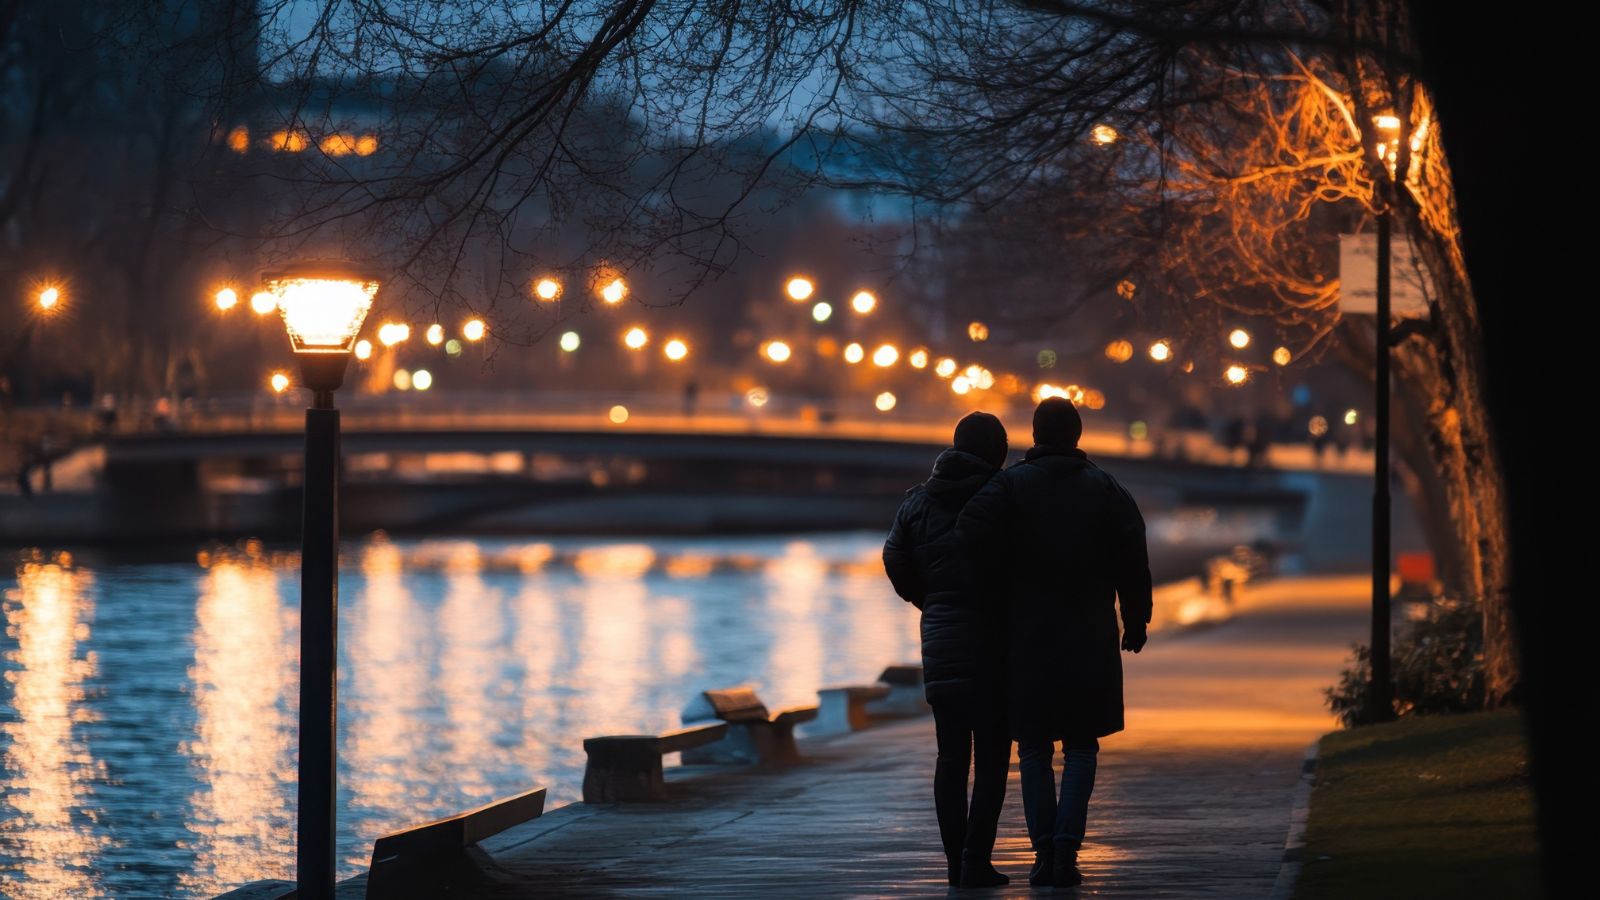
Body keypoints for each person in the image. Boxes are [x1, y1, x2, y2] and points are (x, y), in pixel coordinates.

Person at [957, 397, 1152, 889]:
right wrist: (1136, 619)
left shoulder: (1009, 486)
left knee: (1036, 749)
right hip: (1090, 635)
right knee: (1082, 746)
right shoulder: (1107, 489)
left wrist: (1001, 584)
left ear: (1035, 435)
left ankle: (1043, 852)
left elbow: (969, 532)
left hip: (1028, 636)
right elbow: (1133, 558)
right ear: (1078, 435)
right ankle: (1067, 852)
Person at [882, 411, 1012, 889]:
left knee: (950, 757)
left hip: (941, 639)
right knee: (994, 757)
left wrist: (927, 598)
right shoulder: (1003, 497)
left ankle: (956, 864)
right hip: (996, 643)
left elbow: (894, 555)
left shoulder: (918, 500)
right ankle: (977, 859)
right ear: (995, 451)